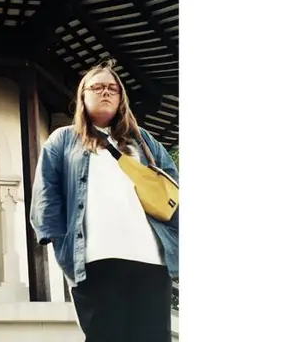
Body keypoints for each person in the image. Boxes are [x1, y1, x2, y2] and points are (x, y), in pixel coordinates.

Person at [30, 59, 179, 342]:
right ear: (82, 96)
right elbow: (46, 195)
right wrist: (62, 247)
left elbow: (174, 190)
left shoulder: (143, 142)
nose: (105, 92)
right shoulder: (63, 140)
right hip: (96, 259)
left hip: (151, 260)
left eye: (112, 87)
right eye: (96, 87)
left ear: (121, 97)